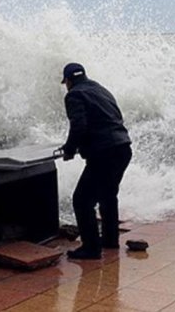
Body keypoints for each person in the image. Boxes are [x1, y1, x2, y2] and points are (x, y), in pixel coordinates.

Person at [59, 62, 132, 260]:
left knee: (82, 200)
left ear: (68, 80)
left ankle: (91, 248)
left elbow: (79, 126)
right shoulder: (101, 90)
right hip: (123, 148)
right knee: (108, 195)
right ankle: (110, 239)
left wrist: (69, 149)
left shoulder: (74, 95)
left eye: (65, 82)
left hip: (105, 153)